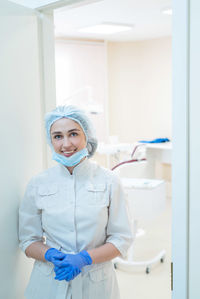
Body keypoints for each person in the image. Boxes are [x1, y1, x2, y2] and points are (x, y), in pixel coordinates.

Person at [19, 105, 133, 299]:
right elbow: (28, 240)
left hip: (97, 283)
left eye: (73, 134)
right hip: (49, 282)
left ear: (86, 136)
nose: (66, 144)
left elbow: (122, 238)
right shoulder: (37, 183)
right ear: (50, 140)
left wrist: (84, 258)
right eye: (57, 136)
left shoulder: (109, 181)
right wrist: (49, 255)